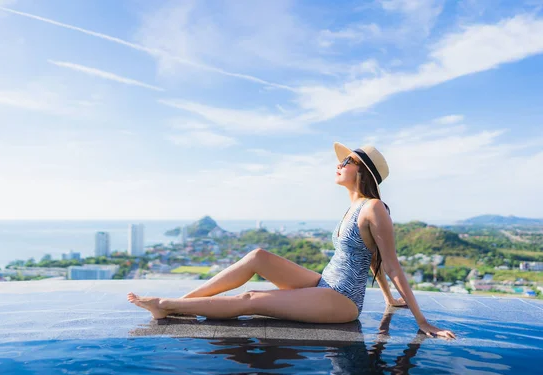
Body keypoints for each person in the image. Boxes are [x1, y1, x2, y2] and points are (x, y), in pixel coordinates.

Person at [128, 143, 456, 339]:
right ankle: (183, 304)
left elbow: (391, 263)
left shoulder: (374, 208)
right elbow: (372, 257)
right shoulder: (354, 206)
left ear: (362, 171)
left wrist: (422, 321)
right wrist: (388, 299)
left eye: (346, 162)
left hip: (341, 300)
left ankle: (167, 306)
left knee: (252, 298)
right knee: (258, 255)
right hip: (325, 282)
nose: (338, 165)